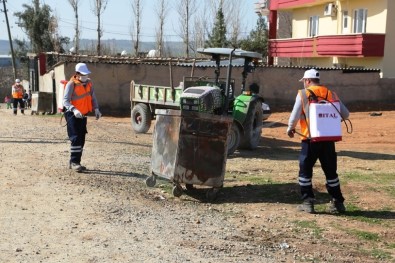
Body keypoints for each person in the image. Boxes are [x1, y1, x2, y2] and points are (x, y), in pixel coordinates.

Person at [286, 69, 350, 214]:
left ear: (307, 81)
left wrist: (290, 128)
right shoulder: (331, 93)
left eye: (304, 81)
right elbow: (346, 114)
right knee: (331, 172)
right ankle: (338, 203)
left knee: (305, 171)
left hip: (309, 140)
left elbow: (295, 115)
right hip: (328, 140)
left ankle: (308, 202)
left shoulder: (303, 94)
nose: (304, 84)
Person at [63, 63, 102, 172]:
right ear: (77, 74)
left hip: (83, 115)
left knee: (81, 139)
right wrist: (74, 110)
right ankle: (75, 162)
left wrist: (96, 109)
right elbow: (65, 101)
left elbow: (92, 97)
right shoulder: (71, 84)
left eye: (86, 74)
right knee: (75, 138)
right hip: (72, 114)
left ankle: (75, 162)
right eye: (83, 74)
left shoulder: (89, 83)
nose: (85, 76)